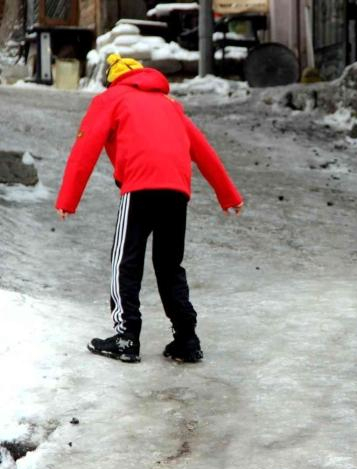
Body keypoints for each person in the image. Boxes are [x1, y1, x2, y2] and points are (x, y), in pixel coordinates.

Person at [55, 54, 244, 363]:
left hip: (140, 185)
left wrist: (68, 200)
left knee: (124, 262)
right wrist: (229, 195)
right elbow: (203, 150)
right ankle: (186, 338)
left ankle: (127, 337)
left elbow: (85, 148)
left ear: (114, 79)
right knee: (170, 266)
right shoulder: (170, 105)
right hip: (176, 191)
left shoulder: (111, 98)